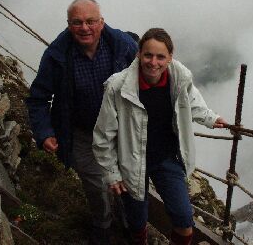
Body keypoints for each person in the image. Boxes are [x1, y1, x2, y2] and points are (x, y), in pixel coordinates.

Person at [93, 28, 228, 245]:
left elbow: (192, 102)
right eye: (148, 55)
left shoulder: (179, 78)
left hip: (166, 158)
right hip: (131, 162)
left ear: (170, 57)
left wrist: (212, 119)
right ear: (139, 54)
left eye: (160, 56)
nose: (153, 62)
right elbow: (103, 135)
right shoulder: (118, 87)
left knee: (184, 218)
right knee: (137, 220)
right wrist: (112, 173)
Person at [26, 0, 138, 244]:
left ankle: (133, 224)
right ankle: (103, 226)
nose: (85, 28)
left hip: (121, 131)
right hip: (80, 133)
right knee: (97, 185)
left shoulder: (123, 46)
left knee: (129, 177)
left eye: (90, 21)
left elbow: (150, 77)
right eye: (77, 22)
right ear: (69, 25)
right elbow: (38, 98)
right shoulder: (57, 55)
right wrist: (45, 132)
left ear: (101, 22)